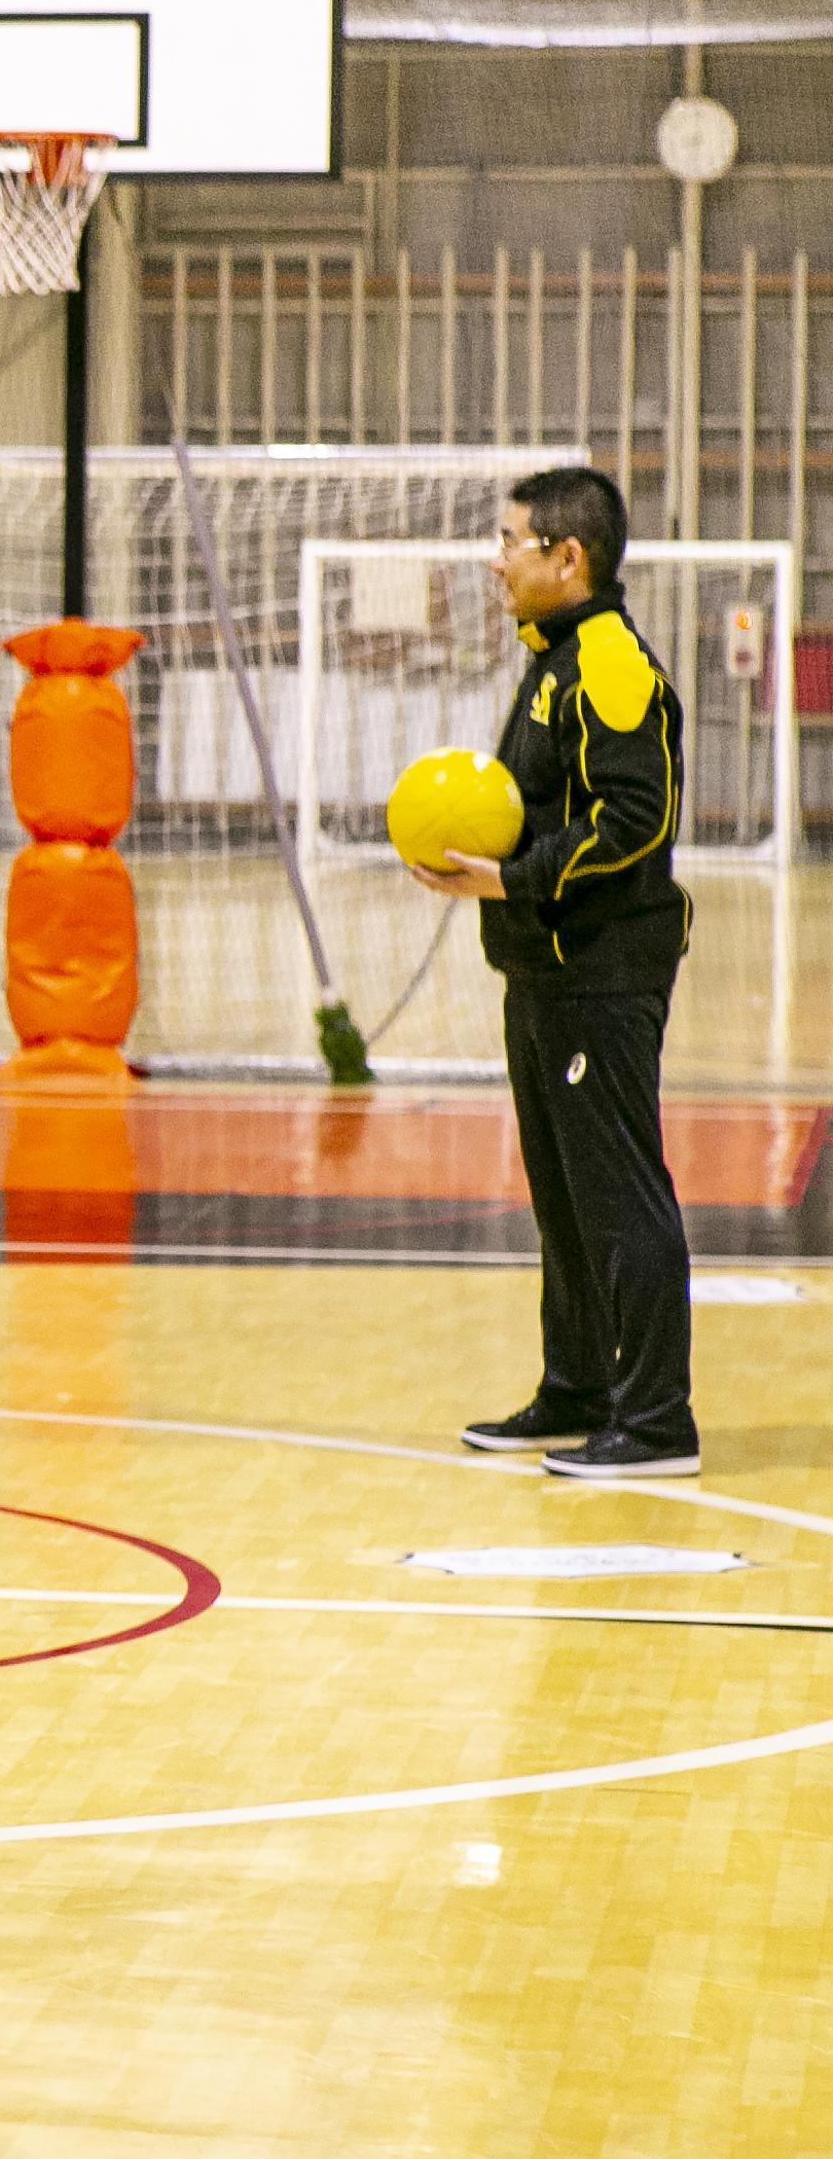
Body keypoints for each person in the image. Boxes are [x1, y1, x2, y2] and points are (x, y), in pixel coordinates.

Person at [417, 463, 696, 1479]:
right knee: (564, 1194)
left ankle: (658, 1421)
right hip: (543, 968)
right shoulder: (554, 658)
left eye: (510, 540)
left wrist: (512, 874)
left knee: (619, 1193)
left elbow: (635, 818)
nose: (496, 560)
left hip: (603, 970)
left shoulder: (610, 661)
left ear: (565, 557)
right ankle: (576, 1387)